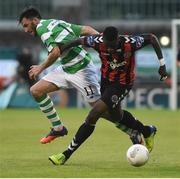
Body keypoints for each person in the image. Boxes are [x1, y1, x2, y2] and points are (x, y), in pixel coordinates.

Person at [19, 8, 141, 145]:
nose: (25, 30)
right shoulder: (55, 23)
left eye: (26, 25)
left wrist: (40, 68)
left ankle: (133, 131)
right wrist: (102, 39)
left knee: (101, 110)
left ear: (34, 20)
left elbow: (55, 52)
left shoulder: (42, 28)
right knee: (36, 90)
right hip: (66, 67)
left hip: (82, 69)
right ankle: (58, 128)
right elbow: (86, 29)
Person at [49, 26, 168, 165]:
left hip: (122, 84)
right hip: (106, 82)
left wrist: (162, 65)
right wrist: (60, 50)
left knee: (93, 114)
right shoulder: (97, 41)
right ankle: (147, 130)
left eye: (112, 46)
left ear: (117, 39)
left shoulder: (131, 43)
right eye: (107, 45)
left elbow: (152, 38)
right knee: (117, 117)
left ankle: (65, 155)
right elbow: (78, 41)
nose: (109, 49)